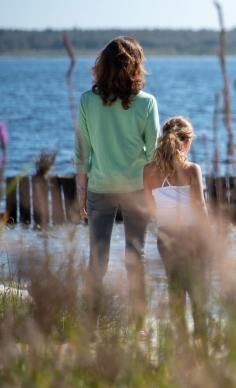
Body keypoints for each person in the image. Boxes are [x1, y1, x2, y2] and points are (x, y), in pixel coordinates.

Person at [75, 36, 160, 331]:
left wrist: (81, 191)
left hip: (99, 187)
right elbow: (154, 154)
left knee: (97, 260)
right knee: (136, 258)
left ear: (102, 66)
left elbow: (82, 153)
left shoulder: (87, 100)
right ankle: (138, 326)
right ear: (135, 66)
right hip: (137, 189)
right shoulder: (147, 103)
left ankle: (90, 326)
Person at [144, 116, 210, 340]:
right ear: (187, 142)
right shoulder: (192, 170)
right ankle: (200, 338)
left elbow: (152, 210)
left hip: (165, 237)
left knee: (175, 287)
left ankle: (180, 340)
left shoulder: (148, 171)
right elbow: (200, 206)